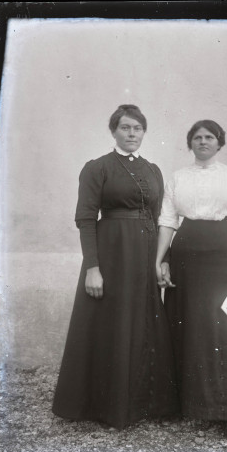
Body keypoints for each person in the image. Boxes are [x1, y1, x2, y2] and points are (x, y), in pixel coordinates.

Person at [52, 104, 179, 430]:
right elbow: (85, 219)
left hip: (145, 254)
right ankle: (108, 405)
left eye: (137, 128)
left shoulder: (153, 170)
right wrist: (93, 267)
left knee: (144, 323)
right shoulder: (98, 168)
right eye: (125, 128)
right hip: (112, 255)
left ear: (143, 132)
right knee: (115, 325)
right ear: (114, 131)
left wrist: (160, 260)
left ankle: (148, 404)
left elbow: (159, 217)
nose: (132, 134)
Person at [155, 120, 227, 439]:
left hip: (220, 256)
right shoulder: (178, 178)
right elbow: (168, 221)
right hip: (184, 255)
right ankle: (181, 406)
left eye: (209, 137)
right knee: (181, 325)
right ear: (190, 143)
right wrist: (159, 261)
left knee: (221, 330)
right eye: (197, 137)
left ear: (219, 143)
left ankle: (224, 414)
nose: (203, 142)